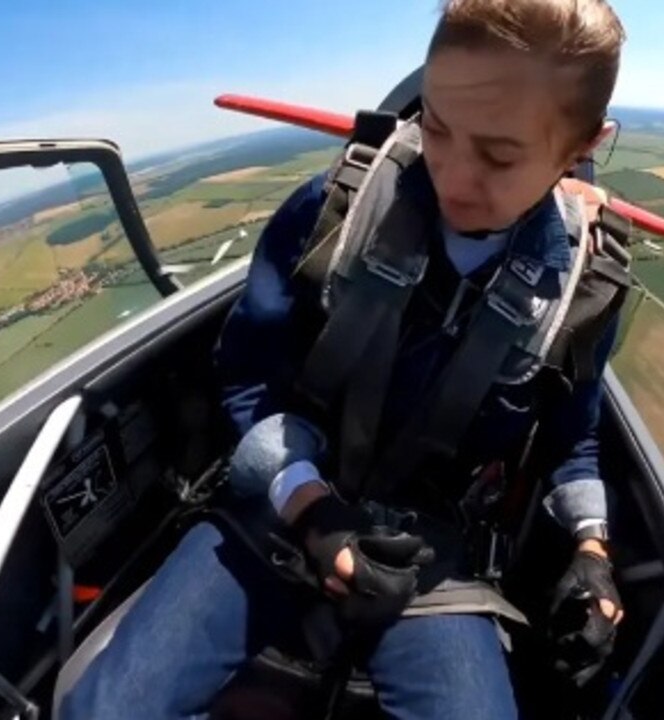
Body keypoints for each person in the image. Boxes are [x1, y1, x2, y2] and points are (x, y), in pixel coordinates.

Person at [61, 1, 629, 717]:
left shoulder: (578, 291)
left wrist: (592, 555)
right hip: (281, 504)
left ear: (582, 144)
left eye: (498, 155)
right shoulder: (335, 216)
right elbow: (248, 381)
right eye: (438, 127)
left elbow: (571, 441)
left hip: (428, 556)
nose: (453, 173)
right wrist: (311, 509)